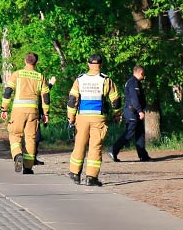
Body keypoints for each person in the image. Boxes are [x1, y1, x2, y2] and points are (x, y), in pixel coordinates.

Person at [67, 54, 121, 186]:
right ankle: (91, 177)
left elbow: (72, 100)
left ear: (88, 64)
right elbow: (115, 99)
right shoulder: (105, 80)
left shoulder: (80, 79)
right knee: (95, 147)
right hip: (98, 117)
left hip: (82, 117)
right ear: (100, 65)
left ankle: (75, 174)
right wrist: (117, 114)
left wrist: (71, 118)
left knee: (79, 145)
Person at [0, 52, 50, 175]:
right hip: (33, 112)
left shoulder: (17, 74)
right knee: (30, 139)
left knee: (15, 136)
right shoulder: (40, 76)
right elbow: (46, 96)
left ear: (24, 61)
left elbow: (7, 92)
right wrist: (46, 113)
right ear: (36, 63)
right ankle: (28, 168)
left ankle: (17, 156)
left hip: (18, 111)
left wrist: (4, 108)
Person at [108, 65, 151, 162]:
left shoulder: (135, 82)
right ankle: (113, 150)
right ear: (141, 73)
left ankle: (143, 156)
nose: (144, 76)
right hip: (132, 112)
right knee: (129, 133)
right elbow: (134, 99)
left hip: (134, 112)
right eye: (143, 74)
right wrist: (140, 111)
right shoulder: (133, 83)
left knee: (140, 134)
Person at [35, 75, 56, 166]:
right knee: (36, 137)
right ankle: (29, 159)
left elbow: (43, 94)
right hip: (33, 114)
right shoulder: (37, 79)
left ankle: (29, 158)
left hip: (27, 113)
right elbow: (43, 95)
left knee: (35, 138)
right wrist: (50, 84)